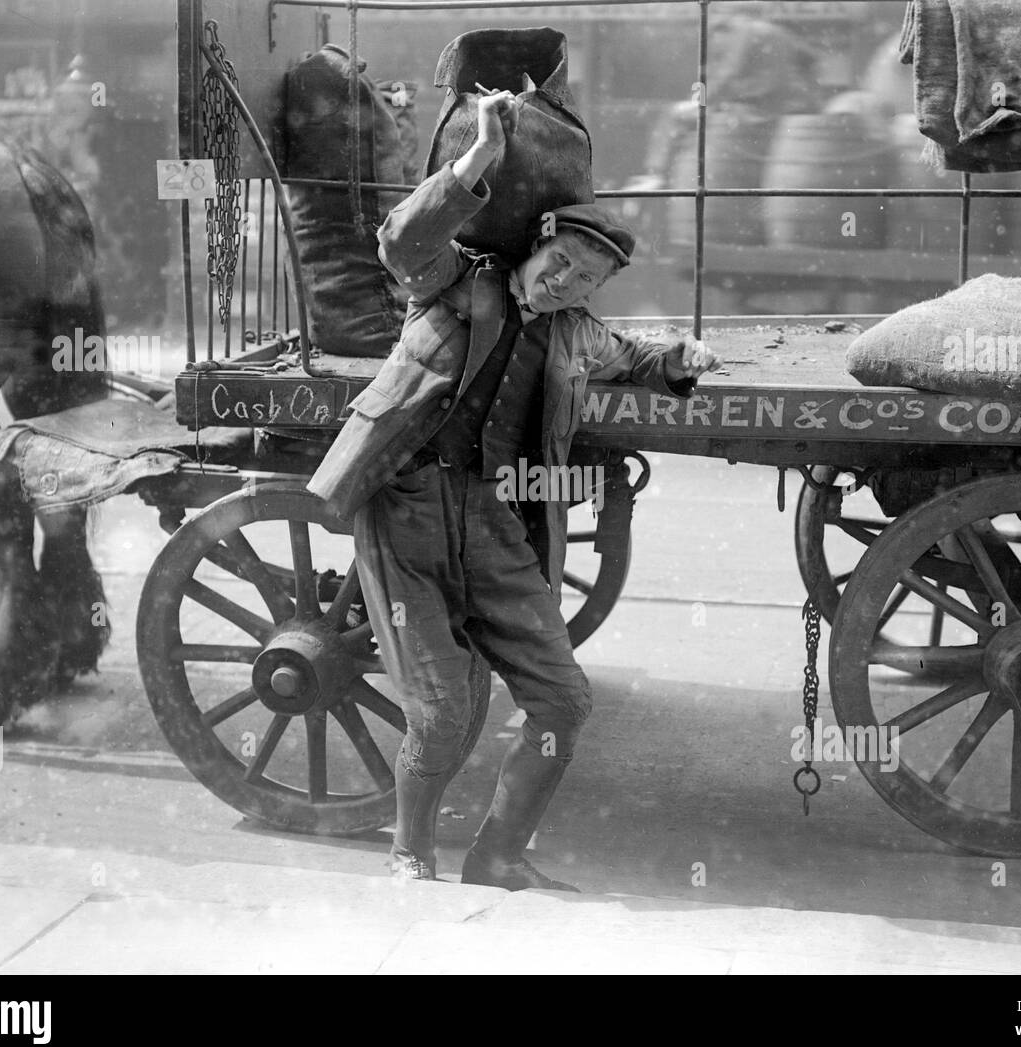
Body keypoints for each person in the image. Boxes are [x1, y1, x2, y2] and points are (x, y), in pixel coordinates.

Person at [307, 88, 721, 891]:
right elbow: (401, 241)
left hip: (499, 529)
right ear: (538, 244)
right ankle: (410, 852)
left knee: (564, 703)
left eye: (586, 278)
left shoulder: (575, 331)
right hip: (409, 522)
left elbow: (636, 359)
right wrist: (482, 153)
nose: (564, 281)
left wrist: (682, 359)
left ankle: (497, 855)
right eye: (560, 261)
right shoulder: (453, 283)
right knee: (442, 714)